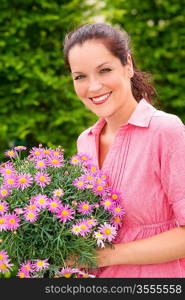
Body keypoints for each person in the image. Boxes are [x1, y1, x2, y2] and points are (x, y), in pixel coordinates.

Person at [63, 23, 185, 278]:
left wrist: (106, 254)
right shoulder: (84, 141)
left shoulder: (165, 130)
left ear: (127, 65)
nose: (93, 87)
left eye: (104, 70)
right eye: (80, 76)